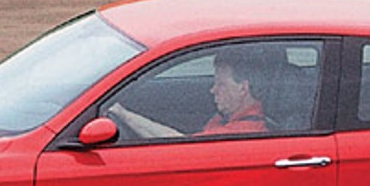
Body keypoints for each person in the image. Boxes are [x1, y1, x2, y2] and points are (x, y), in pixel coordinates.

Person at [106, 48, 269, 138]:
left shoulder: (242, 131)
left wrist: (122, 113)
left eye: (221, 84)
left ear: (243, 88)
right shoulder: (228, 117)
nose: (213, 90)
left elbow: (177, 144)